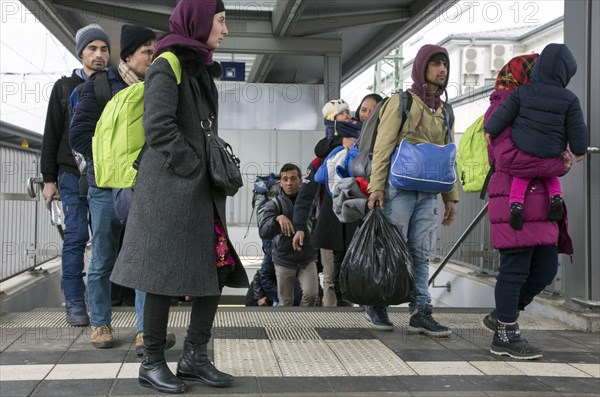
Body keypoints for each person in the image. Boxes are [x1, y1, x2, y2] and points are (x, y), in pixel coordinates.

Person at [110, 0, 249, 393]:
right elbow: (158, 126)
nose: (225, 30)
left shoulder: (198, 68)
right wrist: (192, 165)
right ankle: (152, 362)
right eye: (221, 21)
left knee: (216, 268)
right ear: (200, 21)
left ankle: (194, 357)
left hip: (196, 191)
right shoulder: (166, 63)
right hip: (170, 189)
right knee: (160, 276)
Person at [69, 24, 158, 349]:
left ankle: (144, 329)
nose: (153, 57)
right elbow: (77, 136)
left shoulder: (155, 88)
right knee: (104, 257)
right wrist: (115, 159)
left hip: (142, 186)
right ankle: (101, 324)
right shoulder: (98, 88)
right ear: (130, 54)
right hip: (105, 187)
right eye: (148, 51)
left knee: (141, 259)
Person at [482, 53, 576, 359]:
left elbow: (558, 151)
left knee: (546, 269)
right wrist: (554, 163)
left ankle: (501, 317)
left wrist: (561, 163)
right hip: (513, 201)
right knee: (515, 268)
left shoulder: (545, 106)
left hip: (544, 203)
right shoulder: (503, 105)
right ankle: (506, 334)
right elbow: (507, 157)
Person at [366, 45, 457, 336]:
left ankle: (421, 311)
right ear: (421, 67)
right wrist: (376, 186)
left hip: (429, 194)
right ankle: (377, 303)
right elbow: (383, 146)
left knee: (421, 252)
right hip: (398, 190)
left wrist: (451, 198)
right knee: (392, 250)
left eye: (444, 64)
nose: (442, 69)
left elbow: (447, 156)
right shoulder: (401, 102)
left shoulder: (444, 110)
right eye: (435, 63)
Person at [40, 24, 111, 326]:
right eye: (92, 48)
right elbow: (51, 133)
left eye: (104, 49)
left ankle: (103, 303)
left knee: (108, 238)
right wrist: (48, 179)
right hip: (70, 174)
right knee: (76, 237)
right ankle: (74, 302)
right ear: (81, 52)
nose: (99, 54)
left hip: (105, 174)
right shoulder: (63, 87)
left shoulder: (114, 85)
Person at [484, 43, 588, 230]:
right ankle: (556, 197)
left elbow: (505, 113)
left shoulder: (522, 92)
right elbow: (576, 126)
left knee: (520, 177)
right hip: (551, 149)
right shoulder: (570, 98)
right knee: (550, 177)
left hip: (525, 144)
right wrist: (579, 149)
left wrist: (490, 129)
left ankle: (516, 204)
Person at [259, 163, 319, 307]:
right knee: (285, 302)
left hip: (307, 258)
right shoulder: (274, 204)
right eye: (285, 179)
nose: (289, 183)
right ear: (280, 183)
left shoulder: (311, 202)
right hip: (283, 260)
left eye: (293, 178)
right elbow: (263, 232)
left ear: (300, 181)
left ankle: (303, 324)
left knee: (311, 295)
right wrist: (276, 219)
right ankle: (289, 328)